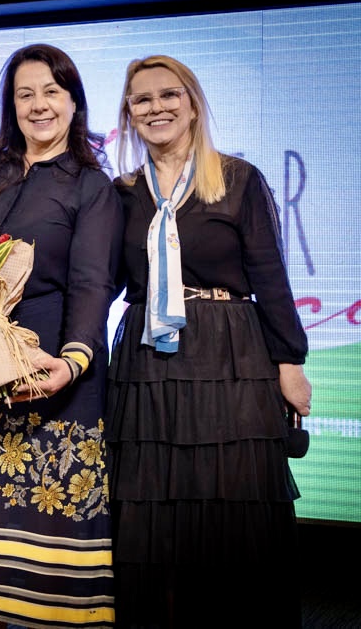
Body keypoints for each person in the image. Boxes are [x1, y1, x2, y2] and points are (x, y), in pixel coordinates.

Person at [105, 54, 312, 628]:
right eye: (142, 100)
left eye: (169, 95)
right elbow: (101, 281)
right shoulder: (122, 192)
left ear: (193, 105)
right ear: (129, 114)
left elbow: (270, 276)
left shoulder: (239, 179)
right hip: (146, 364)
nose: (157, 108)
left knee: (234, 506)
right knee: (152, 512)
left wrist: (290, 363)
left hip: (231, 356)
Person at [0, 44, 122, 628]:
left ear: (74, 102)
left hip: (50, 377)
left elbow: (92, 284)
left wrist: (73, 360)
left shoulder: (92, 185)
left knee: (50, 558)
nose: (39, 105)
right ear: (10, 106)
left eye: (51, 92)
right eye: (25, 94)